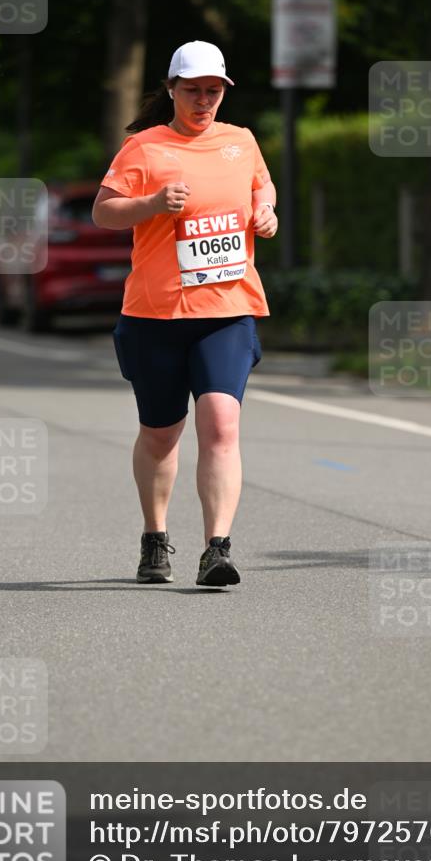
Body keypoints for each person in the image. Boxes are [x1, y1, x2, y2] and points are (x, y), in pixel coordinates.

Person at [92, 40, 277, 587]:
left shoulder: (240, 142)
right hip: (156, 315)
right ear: (171, 89)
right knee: (160, 433)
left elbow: (261, 187)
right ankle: (155, 536)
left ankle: (216, 548)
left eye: (213, 90)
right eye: (193, 90)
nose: (204, 100)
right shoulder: (144, 147)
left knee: (221, 424)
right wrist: (150, 205)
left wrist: (265, 212)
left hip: (227, 309)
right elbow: (104, 210)